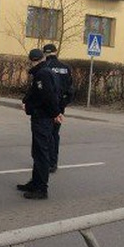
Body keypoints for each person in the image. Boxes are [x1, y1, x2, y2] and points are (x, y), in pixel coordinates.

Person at [18, 48, 63, 200]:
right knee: (37, 151)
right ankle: (35, 182)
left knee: (41, 153)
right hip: (44, 117)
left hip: (42, 118)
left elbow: (46, 96)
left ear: (32, 60)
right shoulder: (46, 71)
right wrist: (56, 112)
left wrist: (54, 113)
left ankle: (41, 188)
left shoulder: (42, 74)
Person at [43, 44, 74, 173]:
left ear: (45, 53)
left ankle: (45, 161)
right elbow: (71, 89)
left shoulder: (45, 67)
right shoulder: (66, 68)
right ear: (56, 52)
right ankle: (53, 162)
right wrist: (63, 104)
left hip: (47, 106)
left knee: (45, 134)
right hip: (60, 105)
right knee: (55, 134)